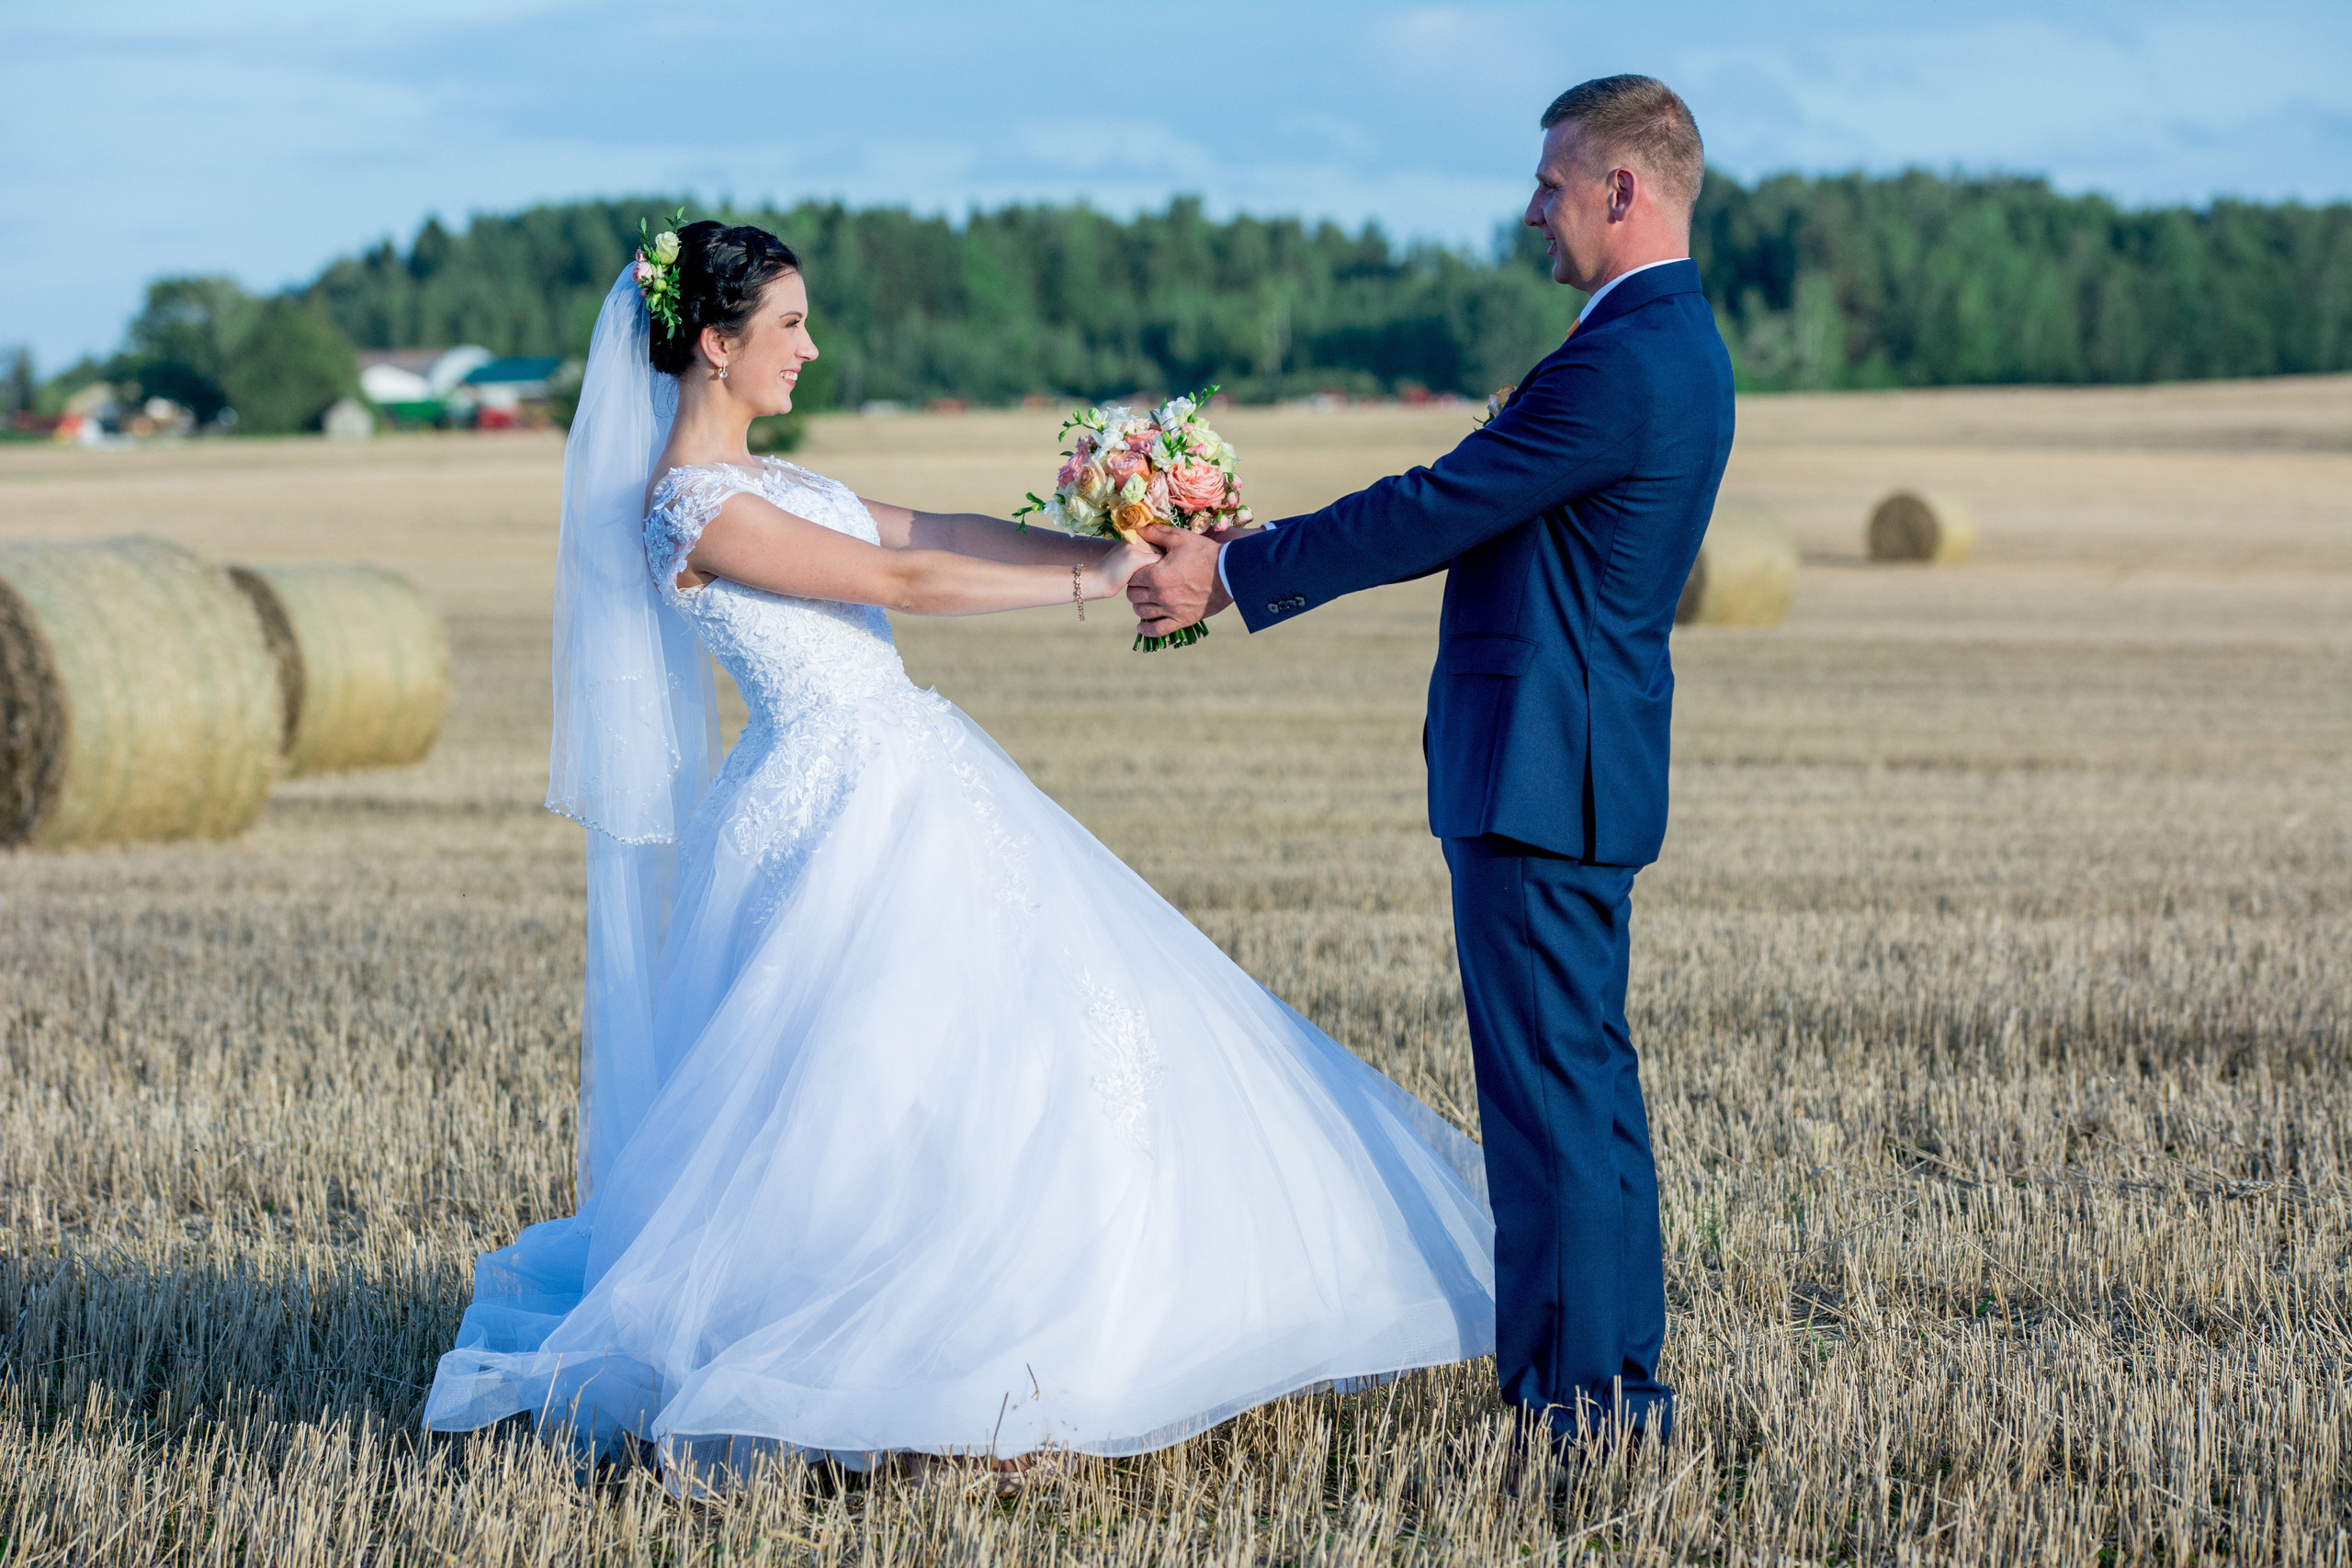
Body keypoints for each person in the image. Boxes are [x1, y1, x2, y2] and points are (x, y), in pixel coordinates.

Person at [420, 220, 1497, 1492]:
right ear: (713, 346)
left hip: (910, 773)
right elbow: (914, 582)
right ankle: (897, 1379)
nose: (810, 349)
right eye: (787, 327)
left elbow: (953, 529)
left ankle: (1020, 1345)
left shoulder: (791, 482)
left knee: (1018, 1060)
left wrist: (1137, 545)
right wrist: (1102, 584)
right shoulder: (692, 508)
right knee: (875, 1091)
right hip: (831, 805)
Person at [1127, 75, 1735, 1455]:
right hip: (1579, 763)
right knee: (1583, 1094)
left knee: (1549, 1108)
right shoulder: (1671, 345)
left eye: (1553, 185)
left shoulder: (1621, 359)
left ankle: (1579, 1412)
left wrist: (1235, 568)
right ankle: (1612, 1389)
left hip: (1540, 772)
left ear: (1624, 190)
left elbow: (1434, 512)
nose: (1535, 211)